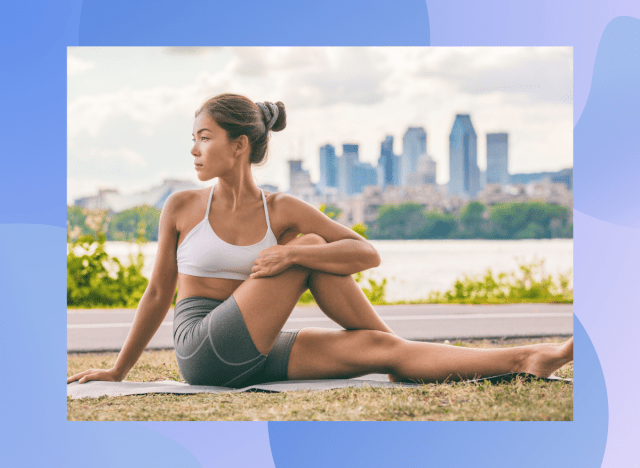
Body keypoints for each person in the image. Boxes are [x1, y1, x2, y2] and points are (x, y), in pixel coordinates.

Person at [67, 93, 573, 388]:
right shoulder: (181, 206)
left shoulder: (281, 209)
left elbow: (366, 254)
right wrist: (118, 370)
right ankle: (400, 347)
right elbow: (158, 293)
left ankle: (523, 358)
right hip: (203, 349)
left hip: (256, 351)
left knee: (375, 345)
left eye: (204, 137)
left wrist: (291, 251)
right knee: (312, 245)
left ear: (238, 145)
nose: (194, 149)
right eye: (194, 137)